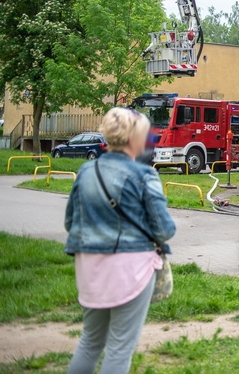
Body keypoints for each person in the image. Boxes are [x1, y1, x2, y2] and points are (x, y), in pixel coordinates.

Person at [64, 108, 176, 374]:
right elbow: (164, 228)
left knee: (90, 341)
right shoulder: (144, 175)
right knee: (119, 348)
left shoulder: (86, 171)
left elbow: (71, 222)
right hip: (131, 267)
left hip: (89, 265)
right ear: (135, 138)